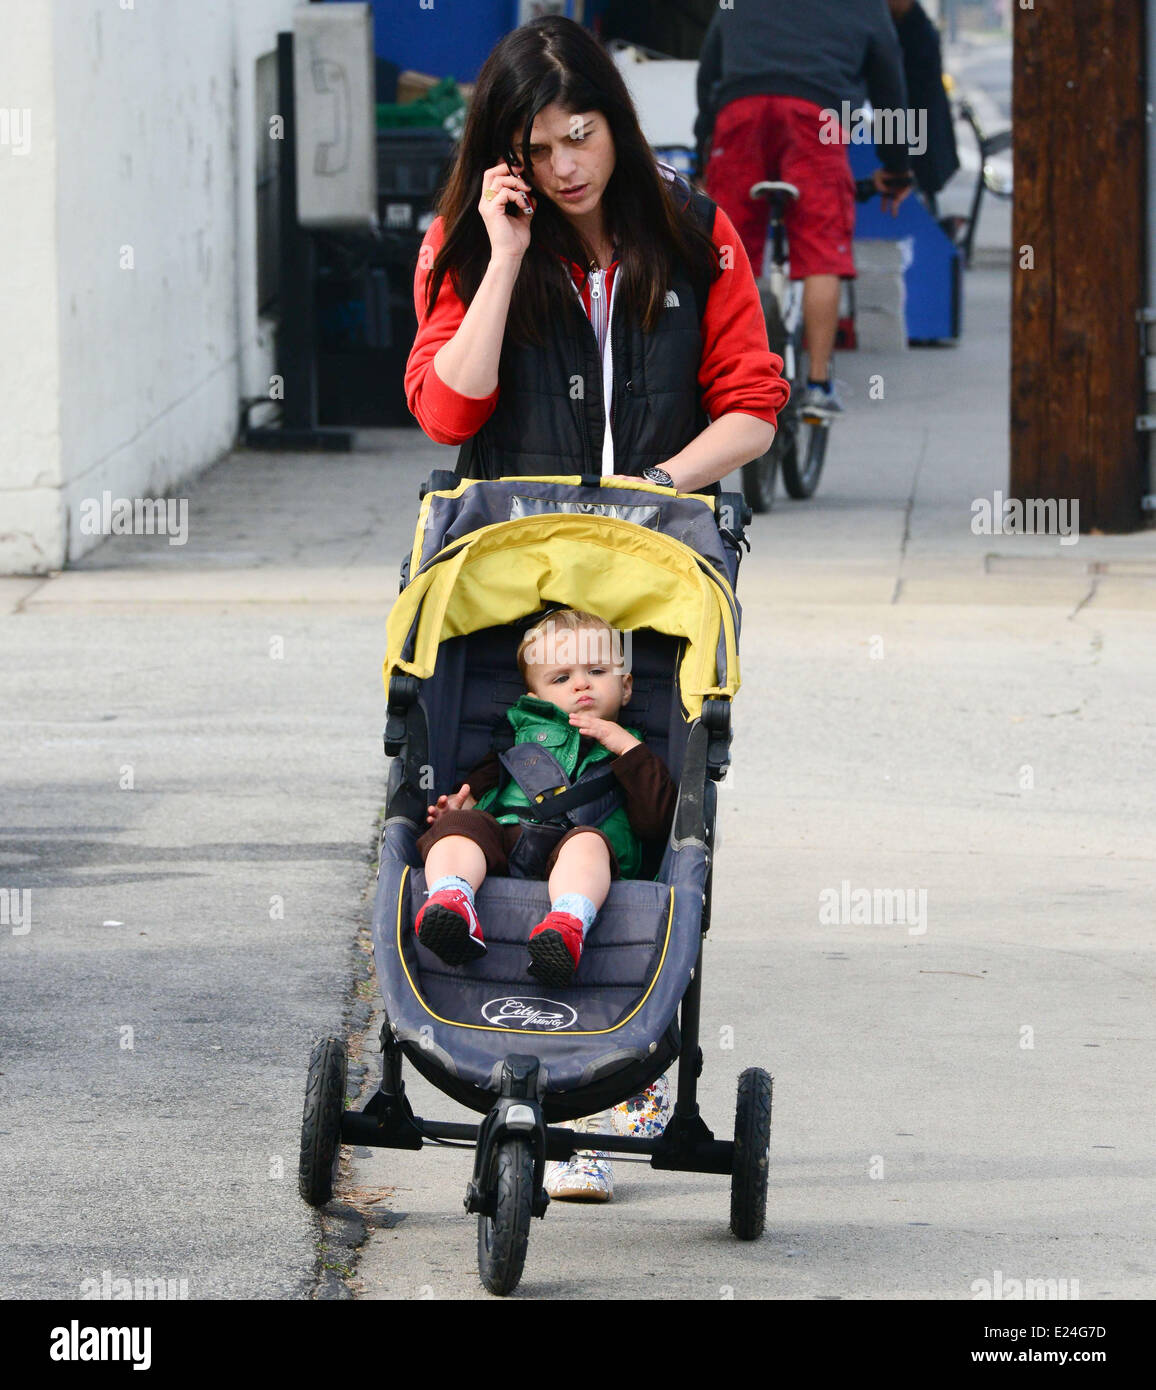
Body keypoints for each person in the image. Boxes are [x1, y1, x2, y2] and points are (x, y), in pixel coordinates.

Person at [404, 13, 789, 497]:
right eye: (536, 151)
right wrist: (504, 259)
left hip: (658, 548)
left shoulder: (696, 230)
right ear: (503, 156)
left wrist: (656, 486)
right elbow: (447, 418)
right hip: (515, 553)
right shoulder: (464, 242)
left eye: (578, 137)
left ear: (616, 123)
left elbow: (752, 411)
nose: (564, 169)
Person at [414, 606, 678, 1202]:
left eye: (597, 671)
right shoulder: (515, 746)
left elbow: (659, 820)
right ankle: (452, 902)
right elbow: (475, 790)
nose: (581, 685)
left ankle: (568, 922)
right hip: (507, 841)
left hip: (585, 850)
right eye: (560, 679)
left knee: (587, 843)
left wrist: (625, 747)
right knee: (460, 834)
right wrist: (455, 807)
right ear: (534, 693)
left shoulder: (630, 755)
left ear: (627, 685)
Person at [694, 0, 915, 421]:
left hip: (740, 113)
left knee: (721, 250)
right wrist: (897, 167)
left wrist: (705, 150)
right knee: (821, 250)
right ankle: (817, 386)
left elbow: (709, 73)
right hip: (819, 116)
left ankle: (707, 380)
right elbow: (890, 90)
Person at [888, 0, 959, 216]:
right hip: (921, 135)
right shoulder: (916, 27)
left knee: (918, 203)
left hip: (917, 134)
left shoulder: (912, 34)